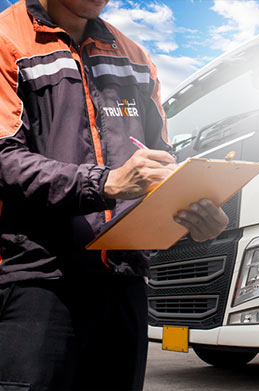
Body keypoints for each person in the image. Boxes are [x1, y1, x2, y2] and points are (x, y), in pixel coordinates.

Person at [0, 1, 229, 390]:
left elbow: (162, 162)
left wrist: (193, 214)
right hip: (37, 284)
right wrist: (104, 183)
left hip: (124, 285)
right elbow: (4, 158)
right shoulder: (7, 40)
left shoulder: (136, 59)